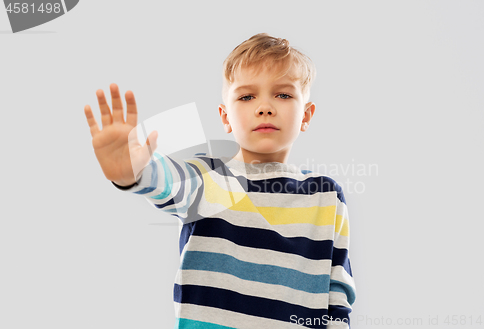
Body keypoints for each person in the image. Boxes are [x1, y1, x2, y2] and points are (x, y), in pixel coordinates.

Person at [84, 32, 356, 329]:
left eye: (283, 94)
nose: (264, 106)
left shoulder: (326, 195)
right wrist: (132, 172)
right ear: (225, 117)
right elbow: (167, 182)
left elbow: (337, 294)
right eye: (247, 96)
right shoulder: (207, 178)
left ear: (306, 115)